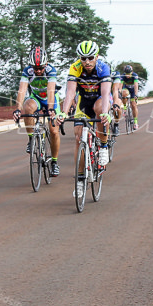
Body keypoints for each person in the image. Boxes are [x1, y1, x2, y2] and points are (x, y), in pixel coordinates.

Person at [56, 40, 114, 197]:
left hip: (100, 100)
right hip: (84, 102)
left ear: (97, 56)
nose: (87, 62)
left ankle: (103, 146)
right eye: (83, 58)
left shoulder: (103, 68)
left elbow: (105, 93)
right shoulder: (75, 68)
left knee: (99, 111)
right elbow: (70, 92)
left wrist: (105, 113)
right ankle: (80, 179)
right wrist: (63, 113)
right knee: (78, 136)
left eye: (90, 58)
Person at [13, 46, 61, 176]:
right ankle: (31, 139)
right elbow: (22, 90)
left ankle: (55, 162)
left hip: (51, 99)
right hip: (37, 98)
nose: (38, 71)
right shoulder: (27, 71)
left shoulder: (51, 71)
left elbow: (51, 90)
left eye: (41, 68)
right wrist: (17, 109)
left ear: (46, 64)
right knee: (27, 107)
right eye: (35, 68)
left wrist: (51, 108)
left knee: (54, 131)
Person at [114, 63, 142, 129]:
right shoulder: (123, 76)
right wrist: (119, 93)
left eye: (129, 73)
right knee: (123, 93)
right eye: (126, 73)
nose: (127, 75)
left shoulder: (134, 76)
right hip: (126, 89)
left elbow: (136, 85)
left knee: (134, 105)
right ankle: (124, 107)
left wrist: (136, 95)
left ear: (131, 72)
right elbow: (120, 86)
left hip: (133, 90)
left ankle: (135, 122)